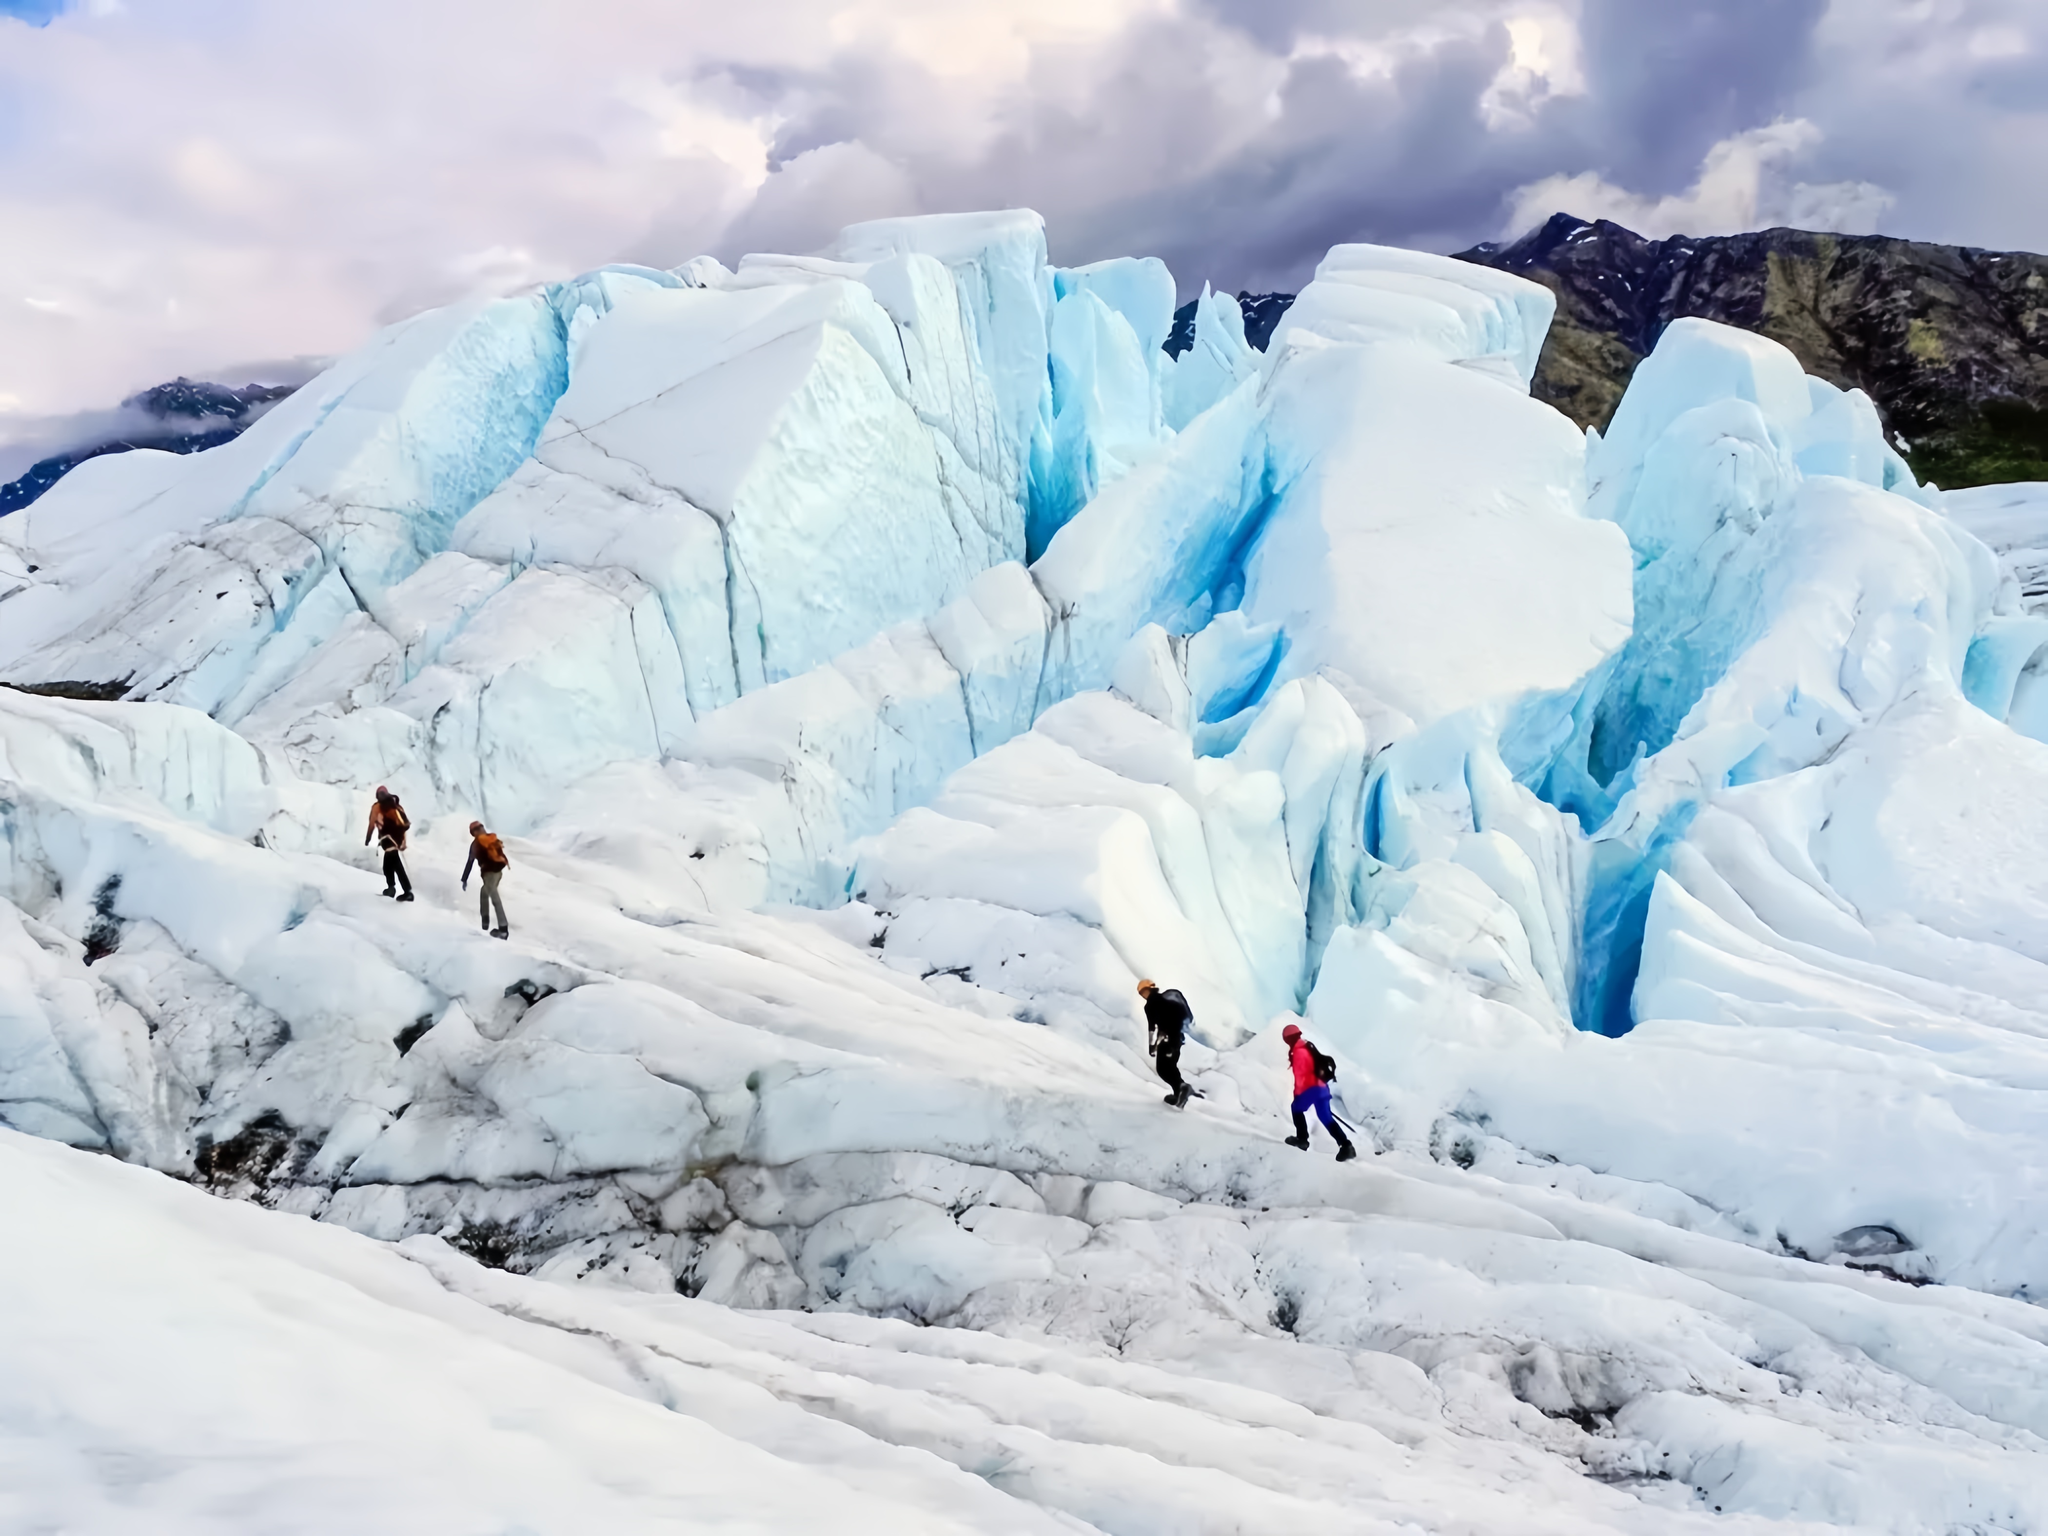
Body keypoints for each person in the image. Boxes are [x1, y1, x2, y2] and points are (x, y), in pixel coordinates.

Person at [1281, 1023, 1356, 1161]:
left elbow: (1301, 1077)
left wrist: (1297, 1094)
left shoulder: (1298, 1052)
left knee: (1296, 1108)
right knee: (1325, 1118)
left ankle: (1302, 1140)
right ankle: (1346, 1146)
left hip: (1312, 1089)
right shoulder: (1307, 1046)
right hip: (1322, 1088)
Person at [1136, 979, 1194, 1108]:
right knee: (1170, 1068)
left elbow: (1152, 1027)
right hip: (1177, 1040)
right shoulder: (1168, 1001)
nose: (1142, 995)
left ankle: (1182, 1088)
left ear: (1148, 990)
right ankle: (1178, 1094)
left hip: (1167, 1040)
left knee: (1163, 1069)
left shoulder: (1150, 1005)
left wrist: (1152, 1046)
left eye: (1142, 992)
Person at [461, 820, 510, 939]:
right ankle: (485, 921)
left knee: (495, 898)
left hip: (489, 874)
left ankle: (503, 929)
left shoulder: (476, 844)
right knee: (484, 892)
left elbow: (470, 862)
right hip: (498, 872)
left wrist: (464, 879)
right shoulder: (491, 839)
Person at [365, 786, 414, 902]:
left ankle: (406, 891)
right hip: (396, 839)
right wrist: (402, 842)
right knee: (389, 864)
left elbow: (372, 824)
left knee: (394, 864)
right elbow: (403, 825)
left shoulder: (377, 807)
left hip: (387, 839)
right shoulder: (395, 806)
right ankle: (392, 888)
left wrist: (368, 839)